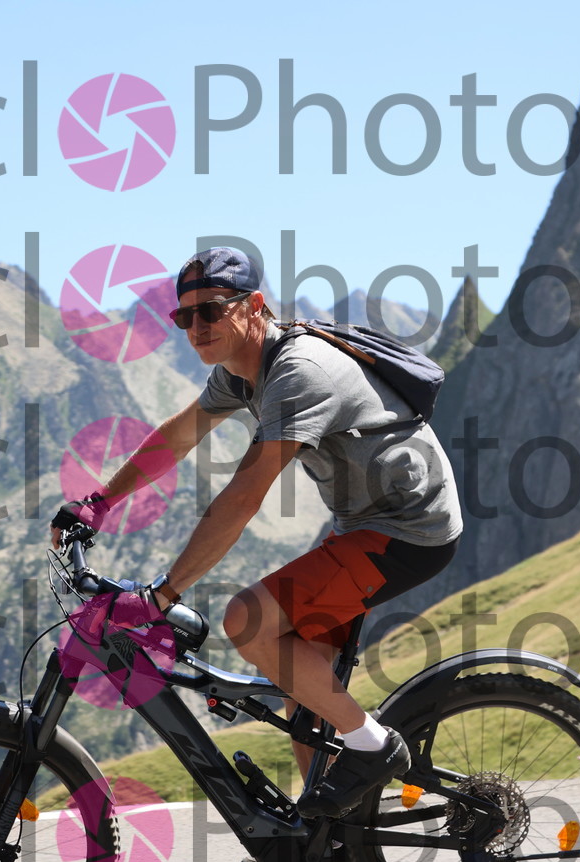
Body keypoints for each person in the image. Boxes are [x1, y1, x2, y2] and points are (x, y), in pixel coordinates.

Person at [51, 247, 463, 827]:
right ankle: (330, 834)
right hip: (362, 525)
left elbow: (245, 496)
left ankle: (375, 748)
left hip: (409, 529)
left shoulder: (299, 373)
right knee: (301, 682)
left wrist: (161, 596)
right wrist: (100, 501)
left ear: (254, 306)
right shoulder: (242, 370)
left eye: (211, 311)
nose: (196, 327)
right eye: (184, 316)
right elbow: (180, 435)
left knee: (248, 621)